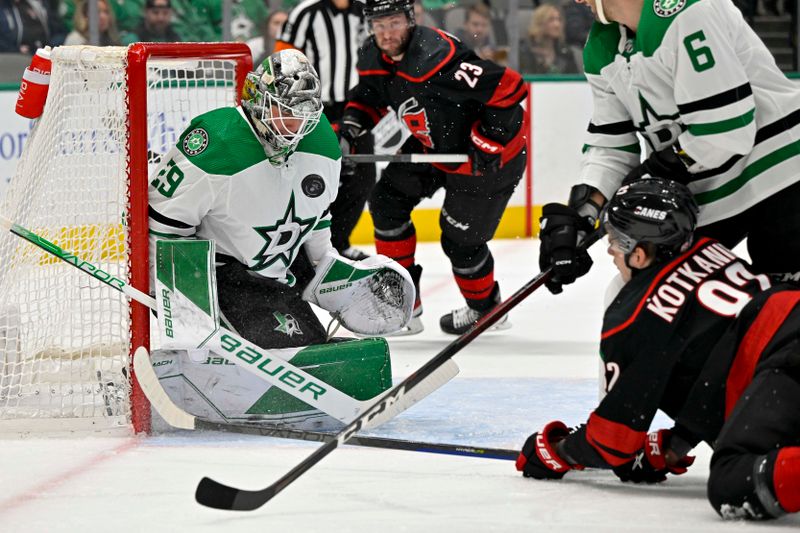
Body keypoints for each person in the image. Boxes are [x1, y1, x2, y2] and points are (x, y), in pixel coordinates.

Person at [517, 177, 800, 521]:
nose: (609, 250)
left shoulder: (634, 315)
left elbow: (612, 442)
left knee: (733, 481)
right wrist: (676, 443)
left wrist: (555, 450)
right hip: (787, 334)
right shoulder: (709, 248)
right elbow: (714, 362)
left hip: (783, 358)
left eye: (615, 241)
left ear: (639, 254)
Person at [147, 49, 413, 350]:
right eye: (284, 112)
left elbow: (316, 218)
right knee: (284, 356)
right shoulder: (217, 142)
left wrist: (327, 268)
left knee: (310, 350)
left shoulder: (322, 142)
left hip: (275, 278)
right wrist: (179, 300)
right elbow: (163, 220)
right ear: (258, 100)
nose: (294, 127)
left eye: (302, 117)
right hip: (218, 275)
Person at [537, 0, 800, 298]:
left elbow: (727, 132)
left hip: (784, 173)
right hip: (707, 190)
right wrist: (582, 212)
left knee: (787, 306)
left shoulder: (691, 10)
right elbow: (612, 143)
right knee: (640, 298)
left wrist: (657, 168)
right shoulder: (603, 44)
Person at [342, 0, 528, 335]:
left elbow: (511, 88)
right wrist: (351, 127)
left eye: (394, 22)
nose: (386, 33)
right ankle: (403, 307)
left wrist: (486, 141)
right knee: (386, 203)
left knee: (460, 241)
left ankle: (487, 311)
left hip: (485, 159)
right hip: (434, 145)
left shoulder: (435, 57)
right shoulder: (373, 54)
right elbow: (368, 96)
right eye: (379, 24)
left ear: (411, 20)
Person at [276, 0, 376, 261]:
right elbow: (283, 61)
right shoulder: (305, 13)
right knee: (312, 177)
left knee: (362, 178)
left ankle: (339, 244)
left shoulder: (367, 11)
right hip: (315, 110)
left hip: (361, 108)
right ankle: (301, 247)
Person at [519, 4, 578, 74]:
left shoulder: (566, 53)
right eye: (551, 20)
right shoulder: (524, 51)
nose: (557, 24)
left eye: (559, 19)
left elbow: (574, 81)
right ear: (540, 23)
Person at [0, 0, 65, 54]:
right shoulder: (4, 8)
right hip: (15, 55)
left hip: (43, 50)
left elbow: (58, 29)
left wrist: (51, 46)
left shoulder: (35, 4)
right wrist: (16, 50)